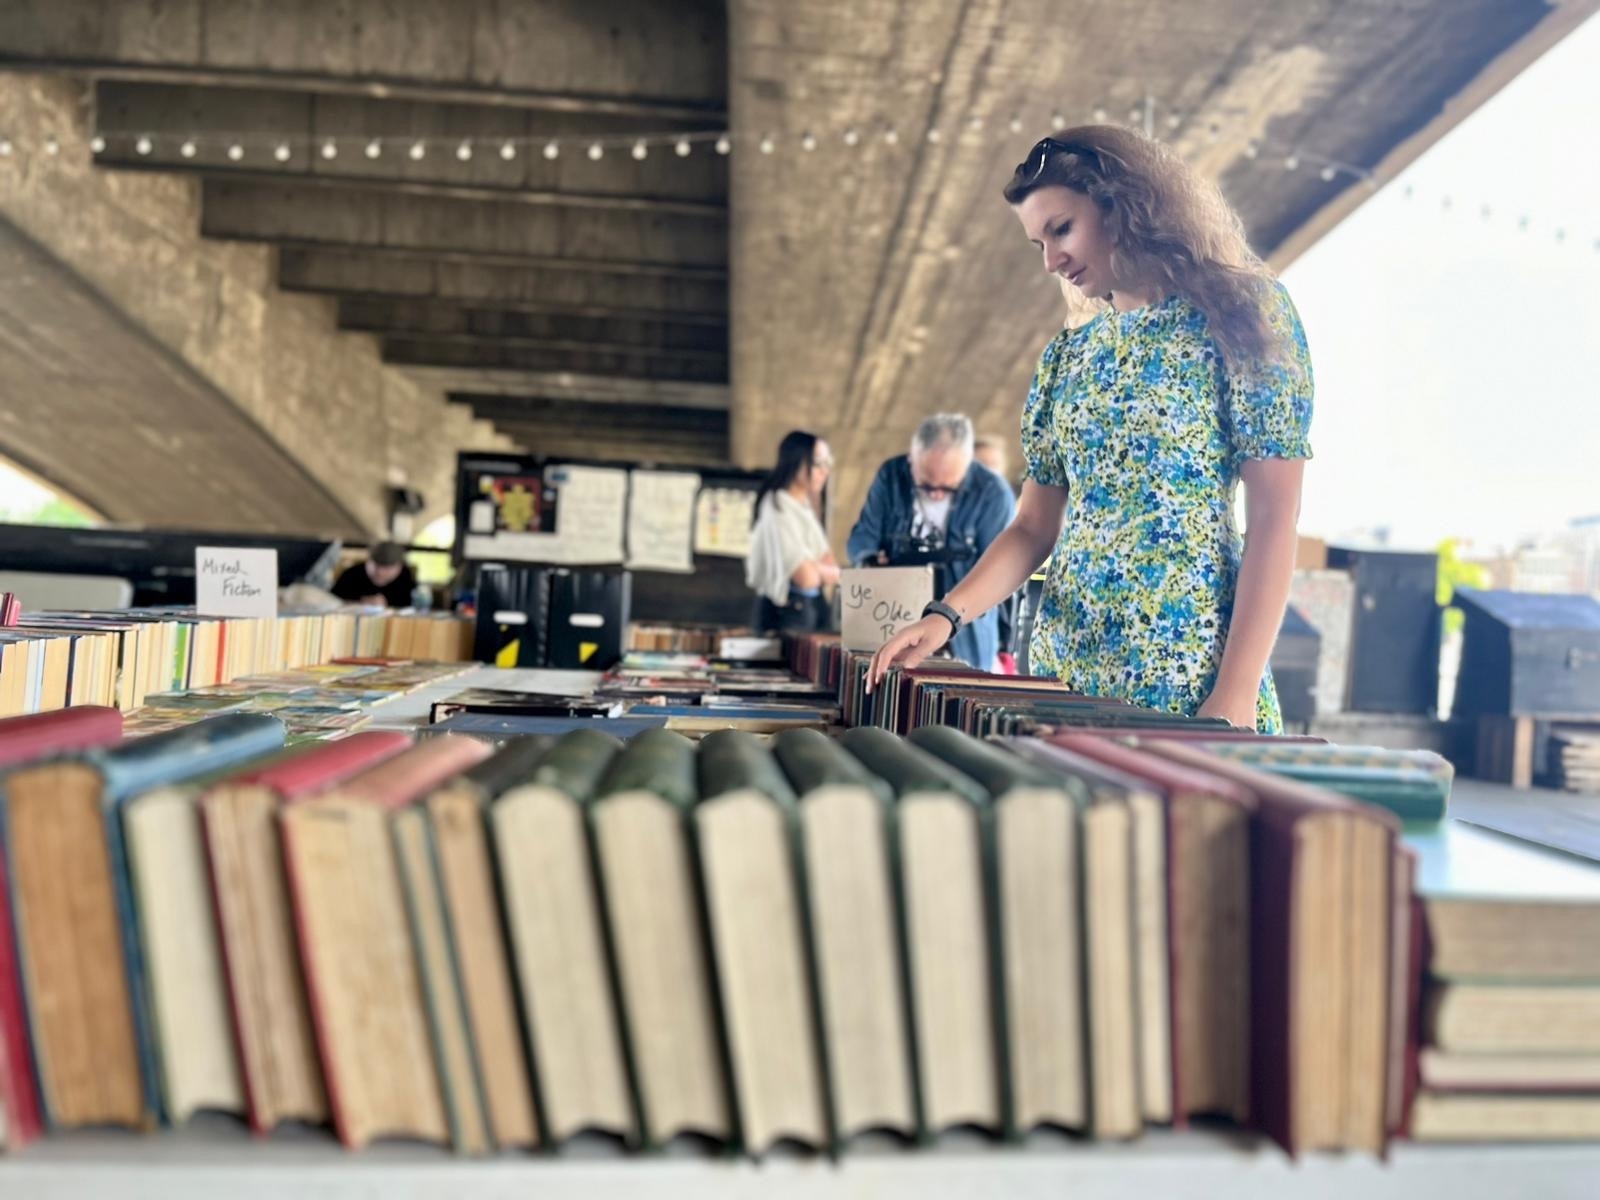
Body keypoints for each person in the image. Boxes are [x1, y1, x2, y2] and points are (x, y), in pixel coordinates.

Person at [868, 127, 1313, 733]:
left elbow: (1274, 519)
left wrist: (1234, 693)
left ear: (1123, 207)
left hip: (1187, 673)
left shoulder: (1241, 316)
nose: (1050, 260)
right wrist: (944, 616)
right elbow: (1032, 528)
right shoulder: (1068, 358)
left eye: (1061, 229)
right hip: (1065, 673)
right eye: (1038, 243)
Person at [847, 413, 1017, 670]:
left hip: (965, 633)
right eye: (926, 486)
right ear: (911, 459)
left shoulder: (994, 493)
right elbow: (862, 537)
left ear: (967, 465)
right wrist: (868, 560)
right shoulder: (891, 475)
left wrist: (950, 613)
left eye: (948, 488)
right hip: (893, 617)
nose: (936, 495)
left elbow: (999, 571)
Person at [745, 430, 839, 632]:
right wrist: (817, 570)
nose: (824, 471)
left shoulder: (803, 505)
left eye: (828, 463)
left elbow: (831, 564)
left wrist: (815, 568)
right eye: (817, 463)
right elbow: (806, 578)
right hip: (786, 614)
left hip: (812, 608)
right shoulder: (777, 506)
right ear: (796, 462)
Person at [330, 540, 418, 608]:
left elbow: (416, 607)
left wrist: (386, 605)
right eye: (376, 565)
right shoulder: (351, 575)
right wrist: (358, 604)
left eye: (387, 568)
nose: (380, 572)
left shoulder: (405, 578)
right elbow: (331, 601)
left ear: (399, 567)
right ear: (368, 561)